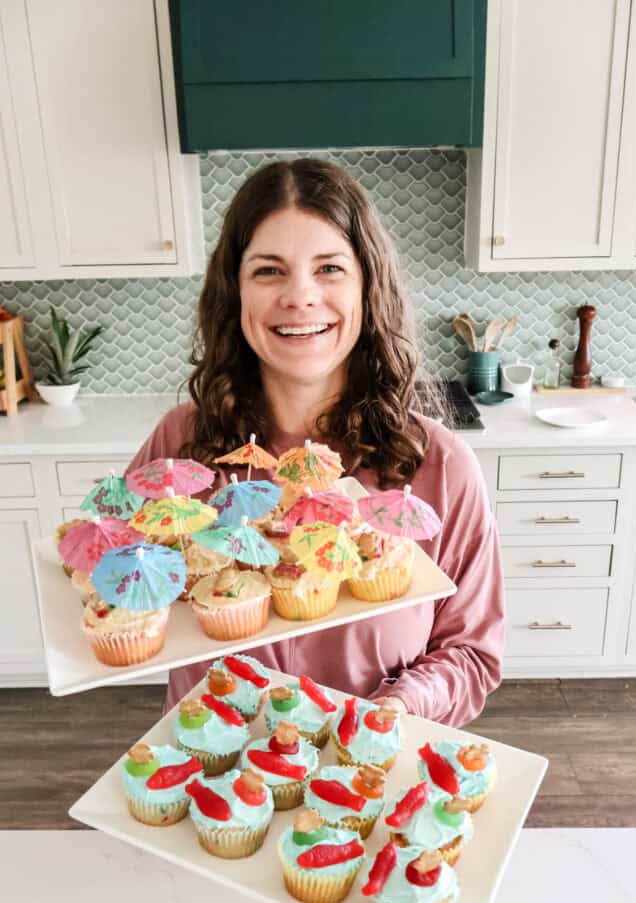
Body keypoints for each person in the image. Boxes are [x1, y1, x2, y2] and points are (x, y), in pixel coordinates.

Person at [126, 158, 504, 726]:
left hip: (368, 775)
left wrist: (402, 704)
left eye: (329, 268)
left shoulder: (440, 467)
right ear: (235, 293)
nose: (300, 297)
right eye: (269, 271)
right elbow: (116, 576)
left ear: (367, 286)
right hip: (214, 782)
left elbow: (473, 655)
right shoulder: (181, 445)